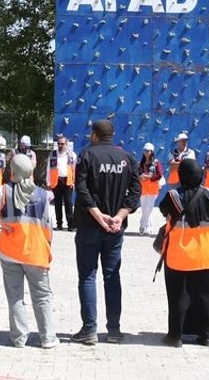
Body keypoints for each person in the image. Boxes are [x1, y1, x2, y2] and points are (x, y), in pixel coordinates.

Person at [0, 154, 57, 348]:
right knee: (42, 296)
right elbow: (49, 226)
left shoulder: (4, 191)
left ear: (13, 171)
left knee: (15, 295)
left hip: (10, 250)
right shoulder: (43, 195)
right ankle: (48, 338)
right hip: (36, 252)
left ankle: (19, 338)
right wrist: (47, 248)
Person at [71, 119, 140, 346]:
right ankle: (114, 330)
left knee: (88, 276)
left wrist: (98, 215)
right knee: (112, 276)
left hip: (90, 226)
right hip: (115, 228)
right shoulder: (127, 158)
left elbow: (81, 189)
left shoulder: (87, 156)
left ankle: (90, 330)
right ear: (114, 134)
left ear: (94, 135)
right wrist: (120, 215)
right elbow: (135, 191)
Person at [158, 158, 209, 347]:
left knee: (178, 296)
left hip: (179, 254)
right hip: (205, 254)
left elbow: (163, 211)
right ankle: (206, 335)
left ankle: (175, 336)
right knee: (205, 296)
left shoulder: (173, 196)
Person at [47, 134, 76, 231]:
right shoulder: (52, 155)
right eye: (58, 144)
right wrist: (48, 182)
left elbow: (75, 169)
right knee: (57, 203)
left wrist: (74, 182)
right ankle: (59, 224)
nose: (60, 145)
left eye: (62, 144)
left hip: (67, 181)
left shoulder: (72, 155)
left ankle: (70, 225)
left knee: (68, 203)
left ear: (66, 144)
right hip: (56, 181)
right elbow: (48, 169)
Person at [137, 143, 164, 235]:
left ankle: (142, 224)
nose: (146, 152)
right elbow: (137, 173)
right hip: (143, 188)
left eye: (148, 151)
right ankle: (149, 228)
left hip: (153, 188)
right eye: (145, 150)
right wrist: (140, 176)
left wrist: (150, 177)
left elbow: (159, 174)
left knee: (149, 208)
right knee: (144, 208)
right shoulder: (141, 163)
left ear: (152, 151)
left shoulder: (156, 162)